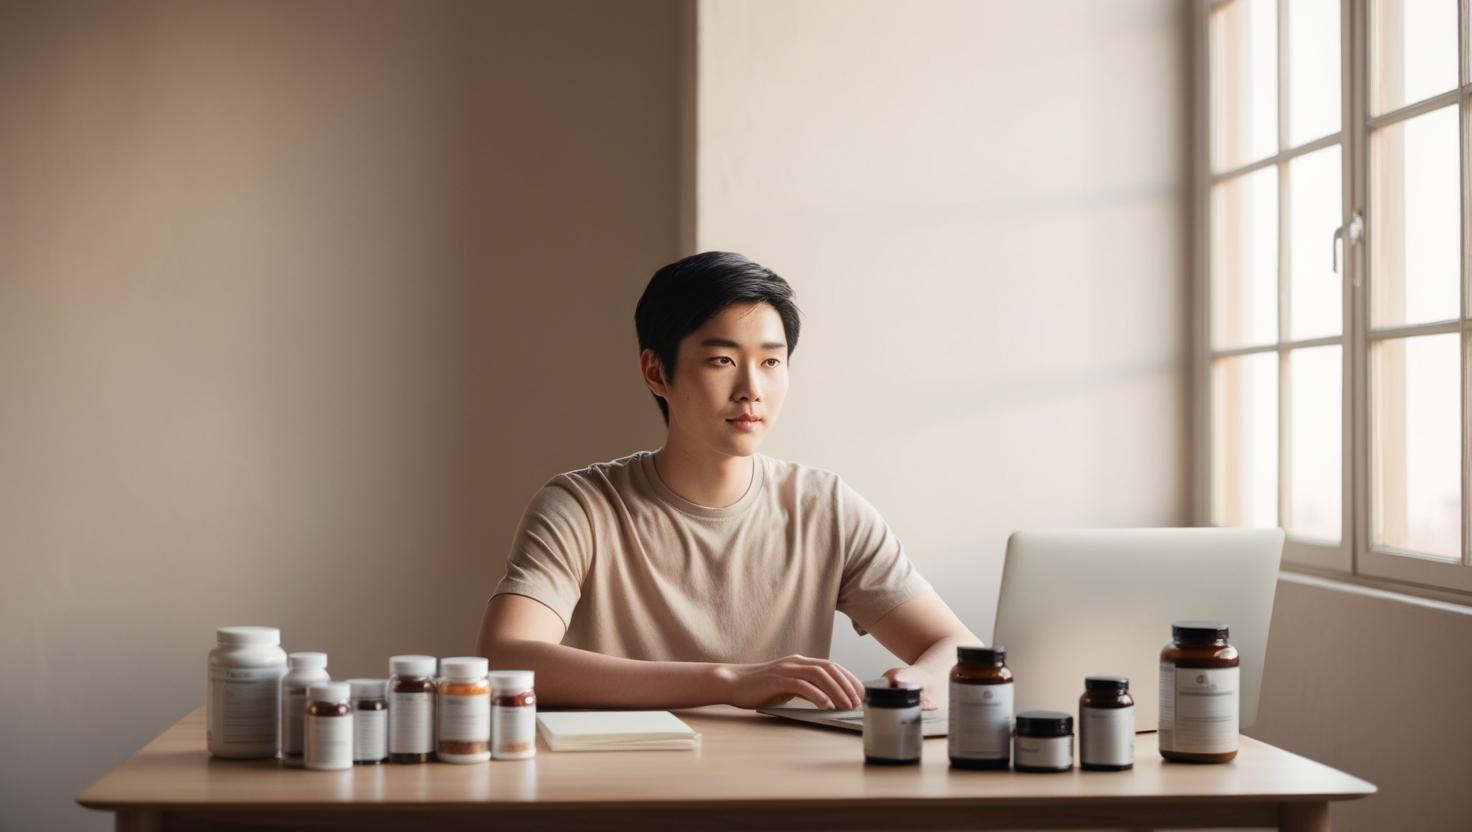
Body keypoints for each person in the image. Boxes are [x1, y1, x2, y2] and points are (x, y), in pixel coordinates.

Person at [475, 251, 980, 711]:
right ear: (656, 372)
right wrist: (729, 682)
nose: (751, 390)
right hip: (622, 786)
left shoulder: (824, 508)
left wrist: (914, 683)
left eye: (770, 362)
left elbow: (960, 650)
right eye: (722, 361)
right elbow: (507, 658)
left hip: (775, 790)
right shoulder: (582, 507)